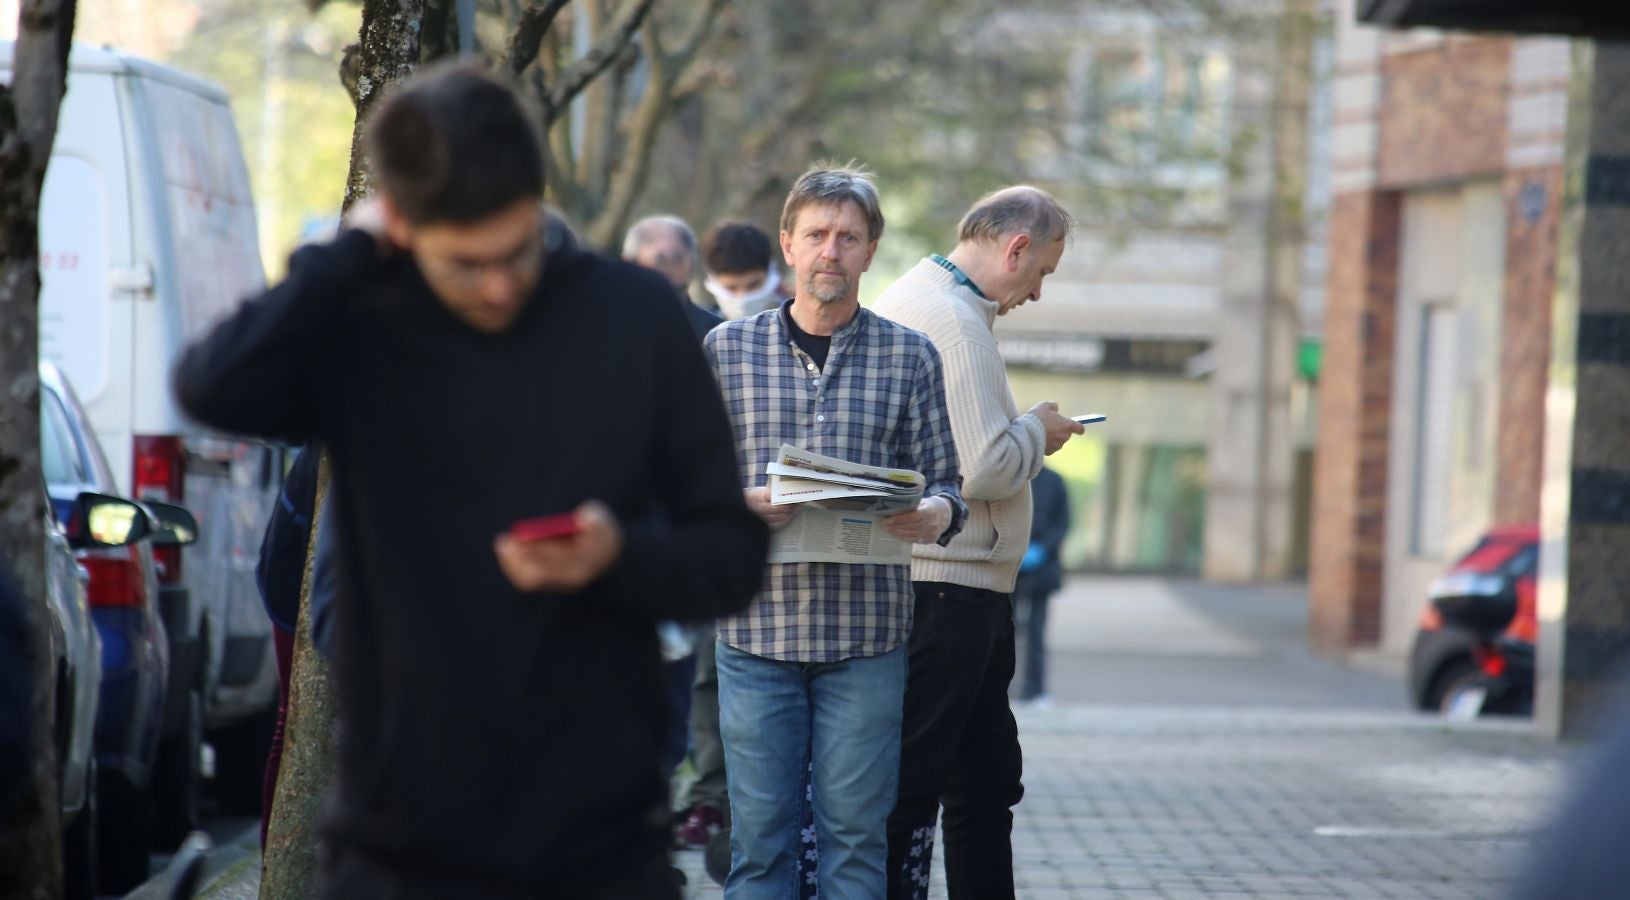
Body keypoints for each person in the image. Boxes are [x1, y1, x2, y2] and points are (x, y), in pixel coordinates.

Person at [172, 63, 768, 900]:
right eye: (465, 262)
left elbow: (731, 556)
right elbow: (210, 385)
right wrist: (347, 250)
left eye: (517, 251)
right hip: (400, 835)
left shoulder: (633, 316)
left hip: (597, 833)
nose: (497, 284)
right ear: (406, 231)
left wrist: (617, 556)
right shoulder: (371, 318)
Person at [704, 164, 968, 899]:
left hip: (868, 639)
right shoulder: (726, 351)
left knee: (858, 844)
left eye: (848, 238)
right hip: (756, 632)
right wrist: (739, 503)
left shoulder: (910, 355)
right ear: (788, 243)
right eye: (817, 235)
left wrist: (936, 513)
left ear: (871, 250)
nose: (831, 251)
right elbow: (681, 487)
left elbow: (947, 484)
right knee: (761, 846)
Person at [873, 185, 1081, 899]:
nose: (1038, 292)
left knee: (982, 779)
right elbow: (983, 465)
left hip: (956, 584)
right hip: (947, 587)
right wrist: (1039, 430)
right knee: (942, 786)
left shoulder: (931, 300)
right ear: (1014, 248)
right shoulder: (956, 324)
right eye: (1042, 272)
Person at [1014, 464, 1070, 705]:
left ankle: (1034, 690)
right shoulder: (1012, 477)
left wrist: (1043, 549)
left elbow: (1063, 522)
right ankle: (998, 687)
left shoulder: (1054, 480)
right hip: (1009, 567)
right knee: (1002, 630)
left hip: (1041, 570)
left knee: (1036, 632)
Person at [624, 214, 723, 341]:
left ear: (693, 261)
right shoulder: (606, 329)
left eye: (677, 259)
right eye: (660, 260)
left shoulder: (717, 333)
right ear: (628, 262)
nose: (668, 270)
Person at [701, 221, 787, 320]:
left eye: (753, 285)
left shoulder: (799, 324)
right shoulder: (698, 328)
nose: (743, 299)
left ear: (771, 274)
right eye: (731, 288)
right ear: (714, 282)